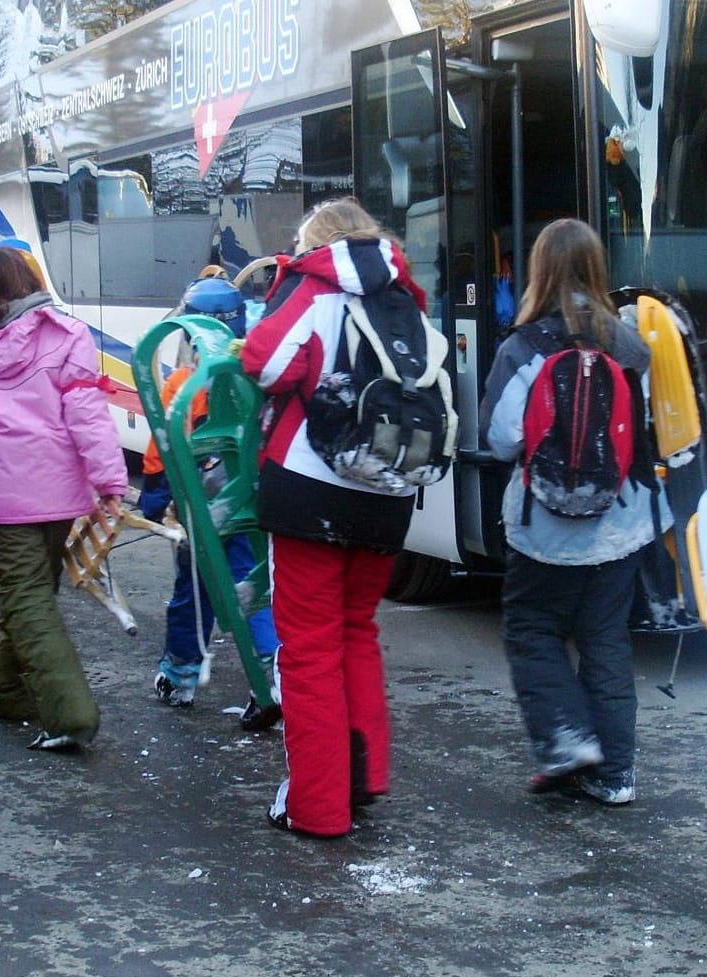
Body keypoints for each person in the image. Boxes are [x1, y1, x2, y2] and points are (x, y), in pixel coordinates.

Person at [239, 199, 424, 836]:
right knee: (356, 630)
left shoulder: (312, 289)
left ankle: (317, 806)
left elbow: (265, 361)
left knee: (309, 648)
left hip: (309, 489)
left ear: (316, 243)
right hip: (390, 488)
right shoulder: (407, 299)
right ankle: (362, 776)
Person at [479, 218, 663, 806]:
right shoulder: (632, 347)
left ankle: (565, 736)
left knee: (532, 628)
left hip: (545, 525)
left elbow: (503, 438)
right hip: (622, 521)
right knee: (606, 635)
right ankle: (616, 774)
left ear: (538, 273)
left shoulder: (524, 347)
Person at [0, 246, 126, 751]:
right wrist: (110, 480)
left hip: (4, 496)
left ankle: (71, 714)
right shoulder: (68, 334)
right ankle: (8, 693)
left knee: (24, 599)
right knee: (32, 595)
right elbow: (87, 413)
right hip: (60, 491)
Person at [148, 273, 282, 729]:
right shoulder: (256, 372)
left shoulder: (184, 383)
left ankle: (181, 674)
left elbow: (161, 450)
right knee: (253, 583)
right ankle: (273, 675)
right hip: (251, 496)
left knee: (194, 589)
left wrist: (155, 497)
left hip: (202, 499)